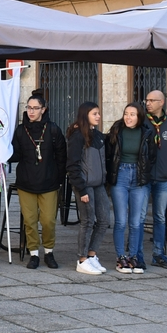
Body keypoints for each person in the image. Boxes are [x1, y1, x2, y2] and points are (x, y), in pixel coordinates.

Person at [9, 93, 66, 269]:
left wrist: (60, 179)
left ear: (43, 109)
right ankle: (33, 254)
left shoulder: (53, 129)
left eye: (35, 108)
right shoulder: (20, 130)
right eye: (29, 107)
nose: (31, 111)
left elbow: (61, 156)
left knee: (48, 220)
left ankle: (48, 251)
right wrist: (1, 152)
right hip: (26, 182)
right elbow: (16, 154)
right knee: (30, 220)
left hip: (48, 183)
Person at [106, 102, 156, 274]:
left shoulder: (147, 133)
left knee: (136, 222)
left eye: (132, 114)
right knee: (120, 221)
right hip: (120, 175)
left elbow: (152, 156)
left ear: (139, 116)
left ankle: (133, 257)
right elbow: (109, 154)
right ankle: (121, 257)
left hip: (139, 178)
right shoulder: (116, 130)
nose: (128, 117)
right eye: (126, 113)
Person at [141, 90, 167, 269]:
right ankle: (136, 252)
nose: (148, 103)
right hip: (144, 177)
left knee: (160, 216)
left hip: (163, 177)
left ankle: (158, 252)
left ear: (162, 102)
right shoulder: (142, 121)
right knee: (139, 216)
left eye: (152, 100)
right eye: (147, 100)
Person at [66, 101, 109, 275]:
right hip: (85, 185)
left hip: (99, 185)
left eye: (98, 113)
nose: (98, 116)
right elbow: (73, 164)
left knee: (105, 220)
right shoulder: (77, 136)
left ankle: (92, 255)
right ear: (85, 115)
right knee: (88, 221)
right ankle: (82, 259)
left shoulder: (98, 135)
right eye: (94, 113)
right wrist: (81, 189)